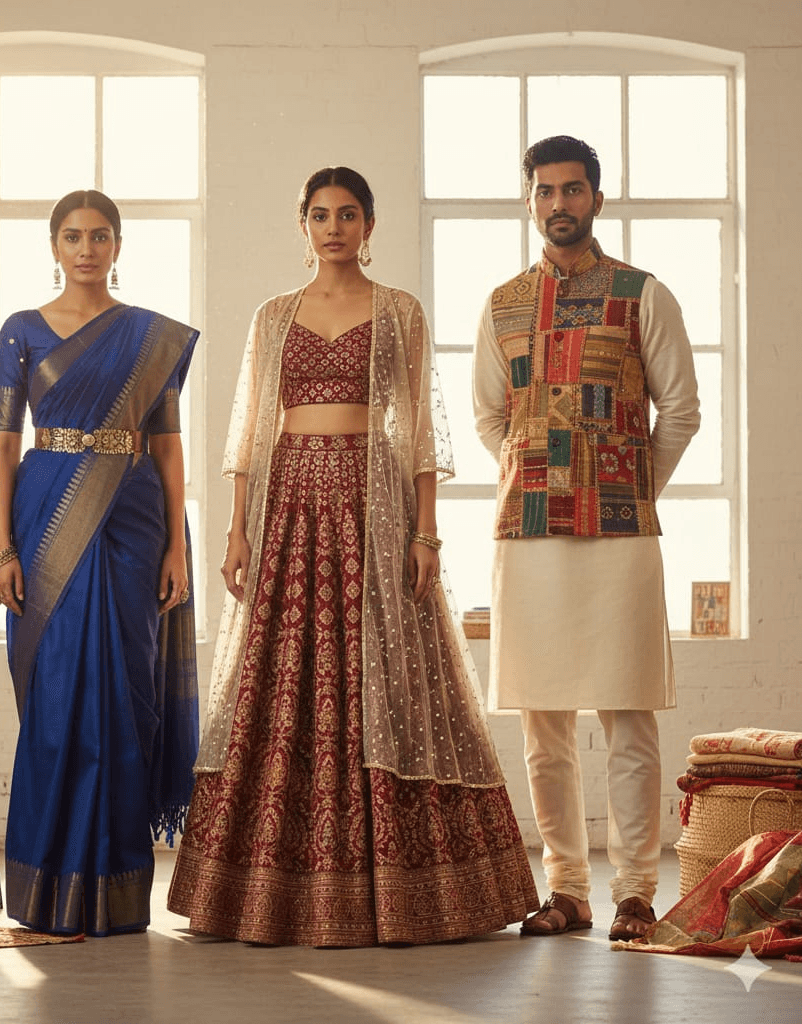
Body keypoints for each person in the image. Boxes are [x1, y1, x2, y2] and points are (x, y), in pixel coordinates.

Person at [167, 166, 538, 947]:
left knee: (395, 677)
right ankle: (265, 891)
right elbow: (250, 434)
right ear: (301, 225)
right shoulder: (274, 316)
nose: (333, 227)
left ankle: (412, 891)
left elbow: (421, 437)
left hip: (374, 511)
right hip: (289, 506)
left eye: (348, 215)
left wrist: (426, 531)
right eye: (319, 215)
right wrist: (237, 531)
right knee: (283, 677)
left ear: (370, 225)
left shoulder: (400, 311)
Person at [472, 136, 701, 940]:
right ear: (530, 201)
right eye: (545, 191)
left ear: (597, 199)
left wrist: (631, 485)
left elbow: (680, 410)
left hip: (620, 533)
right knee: (543, 723)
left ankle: (636, 891)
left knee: (630, 717)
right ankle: (566, 890)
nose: (559, 203)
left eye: (573, 190)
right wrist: (539, 476)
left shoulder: (643, 295)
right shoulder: (503, 303)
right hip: (528, 532)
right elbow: (490, 417)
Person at [0, 189, 199, 936]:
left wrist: (176, 542)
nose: (86, 249)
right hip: (47, 513)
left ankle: (115, 894)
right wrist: (3, 547)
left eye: (100, 236)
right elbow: (4, 443)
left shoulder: (148, 337)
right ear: (53, 246)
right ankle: (47, 894)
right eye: (73, 236)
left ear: (118, 245)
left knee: (124, 698)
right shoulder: (22, 331)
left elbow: (169, 445)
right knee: (54, 702)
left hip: (136, 517)